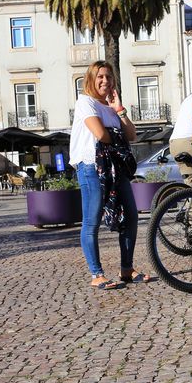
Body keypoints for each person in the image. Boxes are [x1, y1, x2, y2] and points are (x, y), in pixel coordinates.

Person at [69, 60, 151, 290]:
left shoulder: (110, 108)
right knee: (91, 219)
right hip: (90, 166)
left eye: (109, 77)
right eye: (100, 77)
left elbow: (132, 135)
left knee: (131, 216)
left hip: (115, 167)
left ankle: (126, 268)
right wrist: (118, 134)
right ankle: (96, 273)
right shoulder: (85, 102)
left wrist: (120, 110)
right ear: (91, 80)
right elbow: (100, 134)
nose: (105, 81)